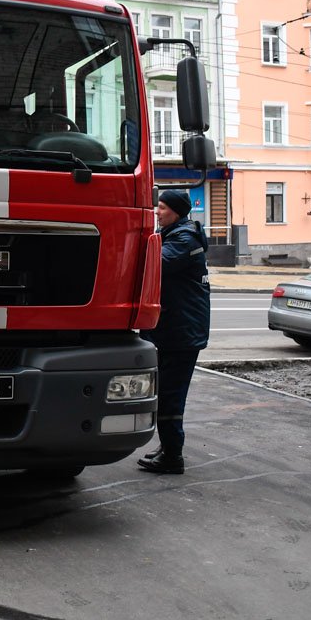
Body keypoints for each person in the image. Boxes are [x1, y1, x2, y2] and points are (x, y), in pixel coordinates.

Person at [138, 189, 211, 475]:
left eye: (163, 208)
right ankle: (167, 447)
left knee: (171, 395)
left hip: (182, 332)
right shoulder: (175, 235)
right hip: (176, 329)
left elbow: (156, 264)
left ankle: (172, 456)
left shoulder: (183, 239)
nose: (157, 212)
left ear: (177, 212)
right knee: (165, 392)